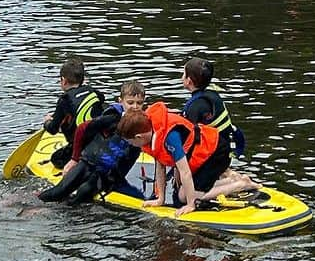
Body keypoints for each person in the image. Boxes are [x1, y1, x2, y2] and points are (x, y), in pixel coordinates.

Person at [118, 103, 261, 216]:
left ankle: (241, 184)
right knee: (182, 192)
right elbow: (160, 166)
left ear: (138, 137)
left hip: (217, 152)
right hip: (204, 154)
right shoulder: (152, 134)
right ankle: (230, 180)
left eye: (131, 143)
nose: (131, 146)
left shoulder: (169, 138)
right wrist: (159, 198)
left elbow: (185, 172)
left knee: (185, 196)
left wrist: (191, 204)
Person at [40, 80, 147, 204]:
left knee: (82, 197)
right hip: (89, 163)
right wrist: (74, 159)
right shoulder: (112, 118)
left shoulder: (143, 123)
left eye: (139, 103)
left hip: (107, 175)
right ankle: (33, 204)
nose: (135, 107)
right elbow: (82, 129)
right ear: (120, 101)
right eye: (130, 103)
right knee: (60, 191)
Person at [44, 57, 105, 170]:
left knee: (55, 159)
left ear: (64, 80)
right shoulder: (92, 91)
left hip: (80, 147)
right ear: (83, 79)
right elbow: (101, 99)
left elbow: (53, 129)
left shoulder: (65, 100)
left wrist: (47, 121)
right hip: (100, 141)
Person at [182, 57, 246, 158]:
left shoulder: (194, 106)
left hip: (213, 153)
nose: (182, 77)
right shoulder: (212, 94)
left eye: (183, 74)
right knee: (224, 172)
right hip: (226, 147)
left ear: (189, 81)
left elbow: (187, 136)